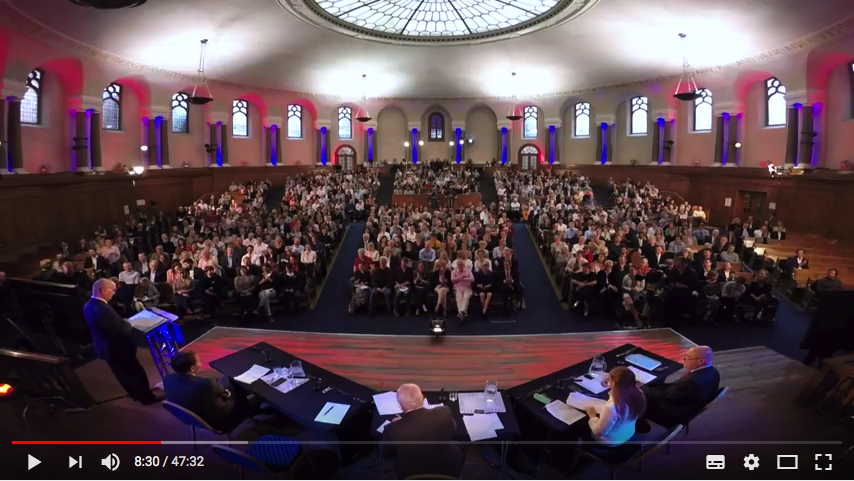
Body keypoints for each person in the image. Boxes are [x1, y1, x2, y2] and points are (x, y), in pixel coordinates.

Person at [83, 278, 161, 405]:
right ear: (102, 290)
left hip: (106, 348)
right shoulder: (102, 308)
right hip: (118, 349)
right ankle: (146, 397)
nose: (114, 293)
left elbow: (109, 324)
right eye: (112, 290)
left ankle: (135, 394)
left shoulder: (88, 305)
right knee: (135, 372)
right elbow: (119, 329)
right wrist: (129, 324)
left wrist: (121, 321)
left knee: (122, 374)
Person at [382, 383, 464, 479]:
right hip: (449, 466)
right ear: (422, 398)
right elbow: (453, 428)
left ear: (400, 406)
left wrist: (398, 423)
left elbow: (386, 453)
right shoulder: (443, 412)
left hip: (410, 472)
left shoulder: (391, 429)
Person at [164, 351, 247, 432]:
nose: (200, 364)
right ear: (192, 368)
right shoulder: (206, 384)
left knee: (223, 382)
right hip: (219, 422)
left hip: (192, 416)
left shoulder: (168, 378)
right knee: (240, 389)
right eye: (198, 362)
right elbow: (225, 394)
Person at [642, 346, 720, 427]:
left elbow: (665, 395)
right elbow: (675, 390)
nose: (684, 360)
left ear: (701, 361)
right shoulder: (713, 371)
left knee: (639, 396)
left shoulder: (691, 382)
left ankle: (639, 423)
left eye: (688, 357)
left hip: (675, 413)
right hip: (688, 402)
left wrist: (643, 388)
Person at [585, 366, 646, 447]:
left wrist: (592, 416)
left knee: (580, 428)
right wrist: (612, 385)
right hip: (628, 433)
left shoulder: (611, 407)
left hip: (611, 441)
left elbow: (598, 432)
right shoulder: (639, 393)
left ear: (613, 383)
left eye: (609, 379)